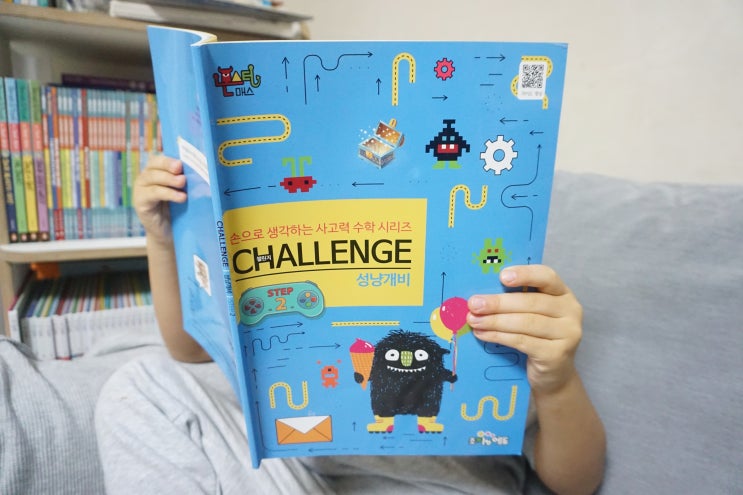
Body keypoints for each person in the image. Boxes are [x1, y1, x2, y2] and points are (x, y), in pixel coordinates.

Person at [95, 155, 606, 495]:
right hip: (302, 478)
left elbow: (576, 483)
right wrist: (164, 238)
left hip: (442, 488)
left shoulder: (503, 291)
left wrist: (557, 381)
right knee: (138, 385)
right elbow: (188, 350)